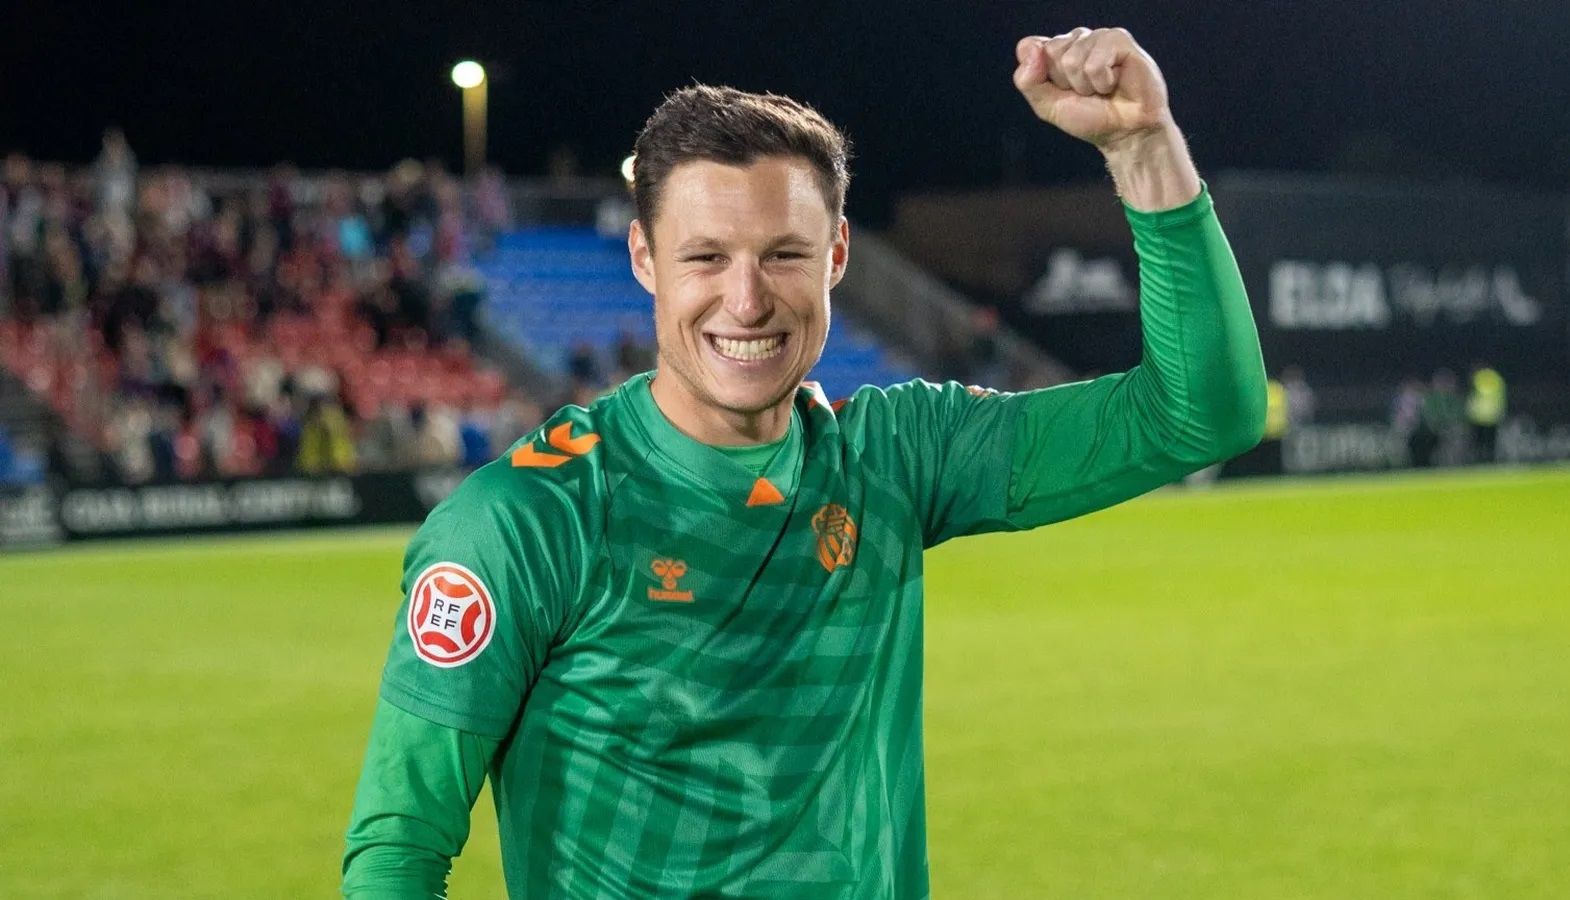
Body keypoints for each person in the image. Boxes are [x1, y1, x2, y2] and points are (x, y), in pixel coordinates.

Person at [343, 26, 1265, 899]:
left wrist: (1145, 149)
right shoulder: (523, 521)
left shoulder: (896, 460)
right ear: (643, 258)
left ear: (837, 256)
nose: (746, 301)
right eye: (705, 256)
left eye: (783, 255)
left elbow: (1201, 414)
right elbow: (400, 846)